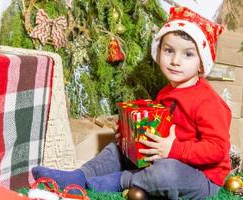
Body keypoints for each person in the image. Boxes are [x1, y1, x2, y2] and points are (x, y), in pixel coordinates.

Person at [32, 6, 231, 200]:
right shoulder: (166, 93)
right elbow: (156, 127)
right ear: (158, 51)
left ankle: (122, 180)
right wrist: (130, 133)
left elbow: (217, 149)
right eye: (169, 50)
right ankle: (80, 175)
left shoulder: (208, 102)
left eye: (188, 54)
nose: (175, 61)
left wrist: (174, 149)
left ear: (201, 63)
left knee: (166, 171)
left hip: (200, 177)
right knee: (117, 148)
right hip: (164, 157)